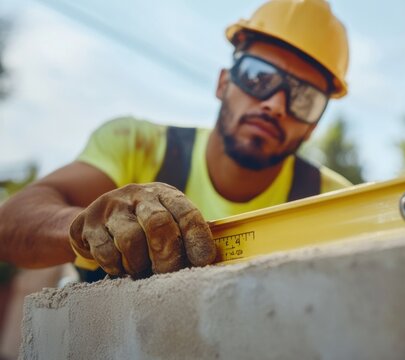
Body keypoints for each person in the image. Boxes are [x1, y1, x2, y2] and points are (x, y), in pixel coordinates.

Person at [0, 0, 351, 280]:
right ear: (223, 83)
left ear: (313, 126)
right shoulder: (137, 146)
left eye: (304, 97)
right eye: (259, 76)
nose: (275, 104)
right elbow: (8, 225)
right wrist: (88, 228)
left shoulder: (334, 203)